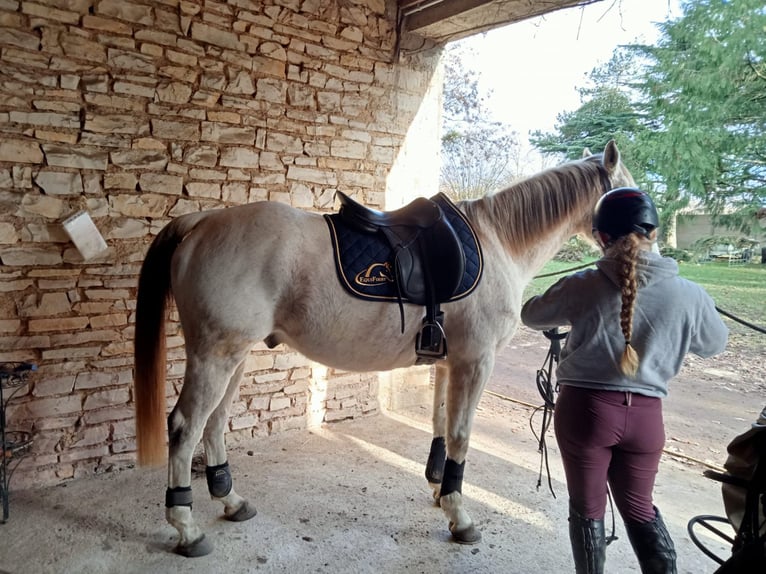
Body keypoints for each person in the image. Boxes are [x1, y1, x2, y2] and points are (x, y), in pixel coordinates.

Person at [520, 187, 729, 574]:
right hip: (648, 419)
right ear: (655, 233)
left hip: (586, 412)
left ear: (600, 237)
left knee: (587, 507)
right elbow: (714, 344)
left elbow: (531, 315)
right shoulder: (690, 294)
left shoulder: (581, 283)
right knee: (639, 506)